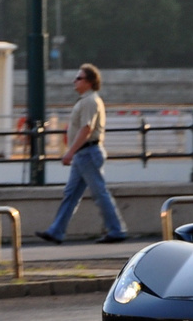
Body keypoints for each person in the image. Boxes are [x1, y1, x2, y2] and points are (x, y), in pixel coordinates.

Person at [36, 63, 128, 245]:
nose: (74, 81)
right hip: (84, 154)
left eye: (79, 78)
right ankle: (56, 231)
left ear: (90, 82)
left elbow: (87, 128)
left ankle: (117, 230)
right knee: (71, 194)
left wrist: (70, 152)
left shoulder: (89, 101)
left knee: (99, 193)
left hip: (87, 152)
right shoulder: (88, 100)